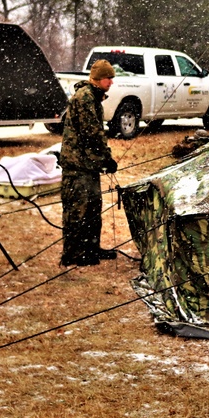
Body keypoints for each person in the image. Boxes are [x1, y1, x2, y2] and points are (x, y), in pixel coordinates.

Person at [59, 59, 119, 267]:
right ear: (97, 79)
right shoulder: (84, 98)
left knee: (93, 207)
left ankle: (91, 248)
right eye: (108, 78)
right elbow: (92, 133)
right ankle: (74, 253)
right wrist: (106, 157)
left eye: (111, 78)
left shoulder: (93, 97)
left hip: (89, 164)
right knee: (78, 209)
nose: (111, 82)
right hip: (77, 165)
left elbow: (96, 133)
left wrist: (102, 158)